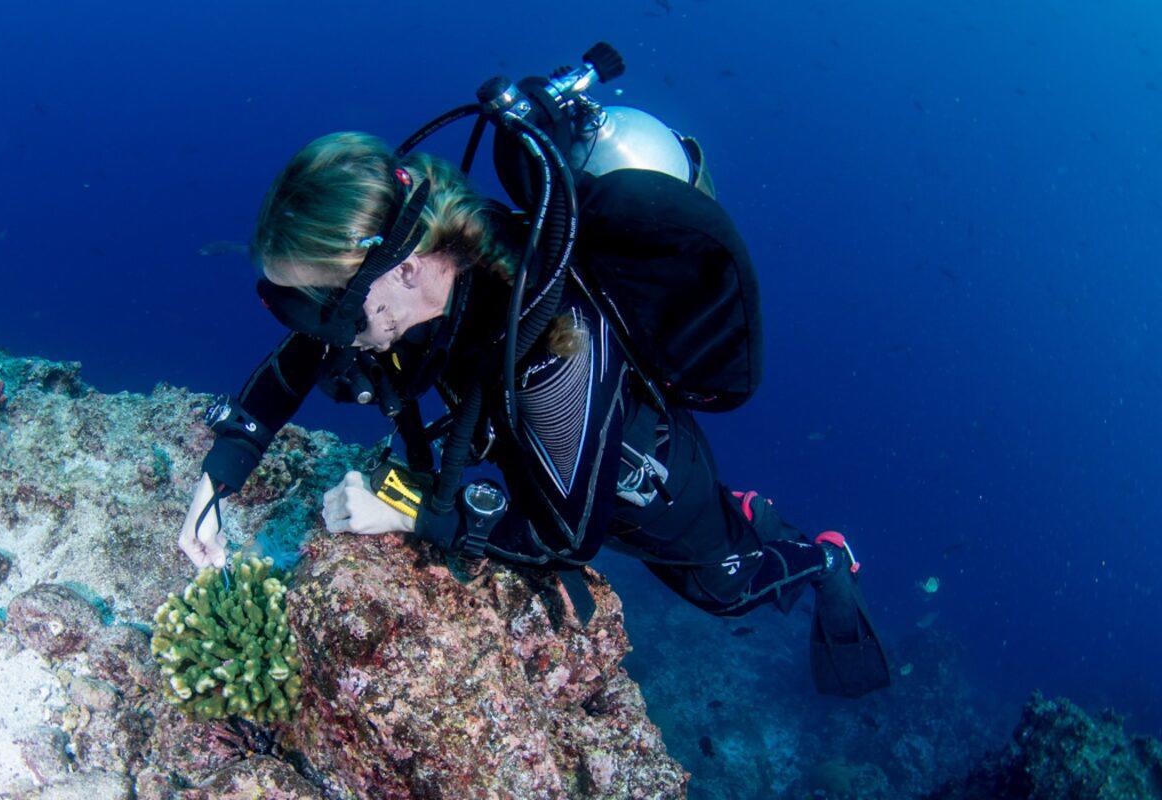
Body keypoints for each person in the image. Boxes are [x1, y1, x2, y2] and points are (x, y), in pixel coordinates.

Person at [176, 118, 889, 697]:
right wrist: (215, 483)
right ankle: (749, 514)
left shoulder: (551, 341)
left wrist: (409, 514)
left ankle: (825, 558)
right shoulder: (414, 271)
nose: (317, 329)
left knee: (721, 589)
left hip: (648, 486)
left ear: (406, 270)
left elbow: (566, 537)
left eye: (321, 304)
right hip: (549, 454)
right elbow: (298, 362)